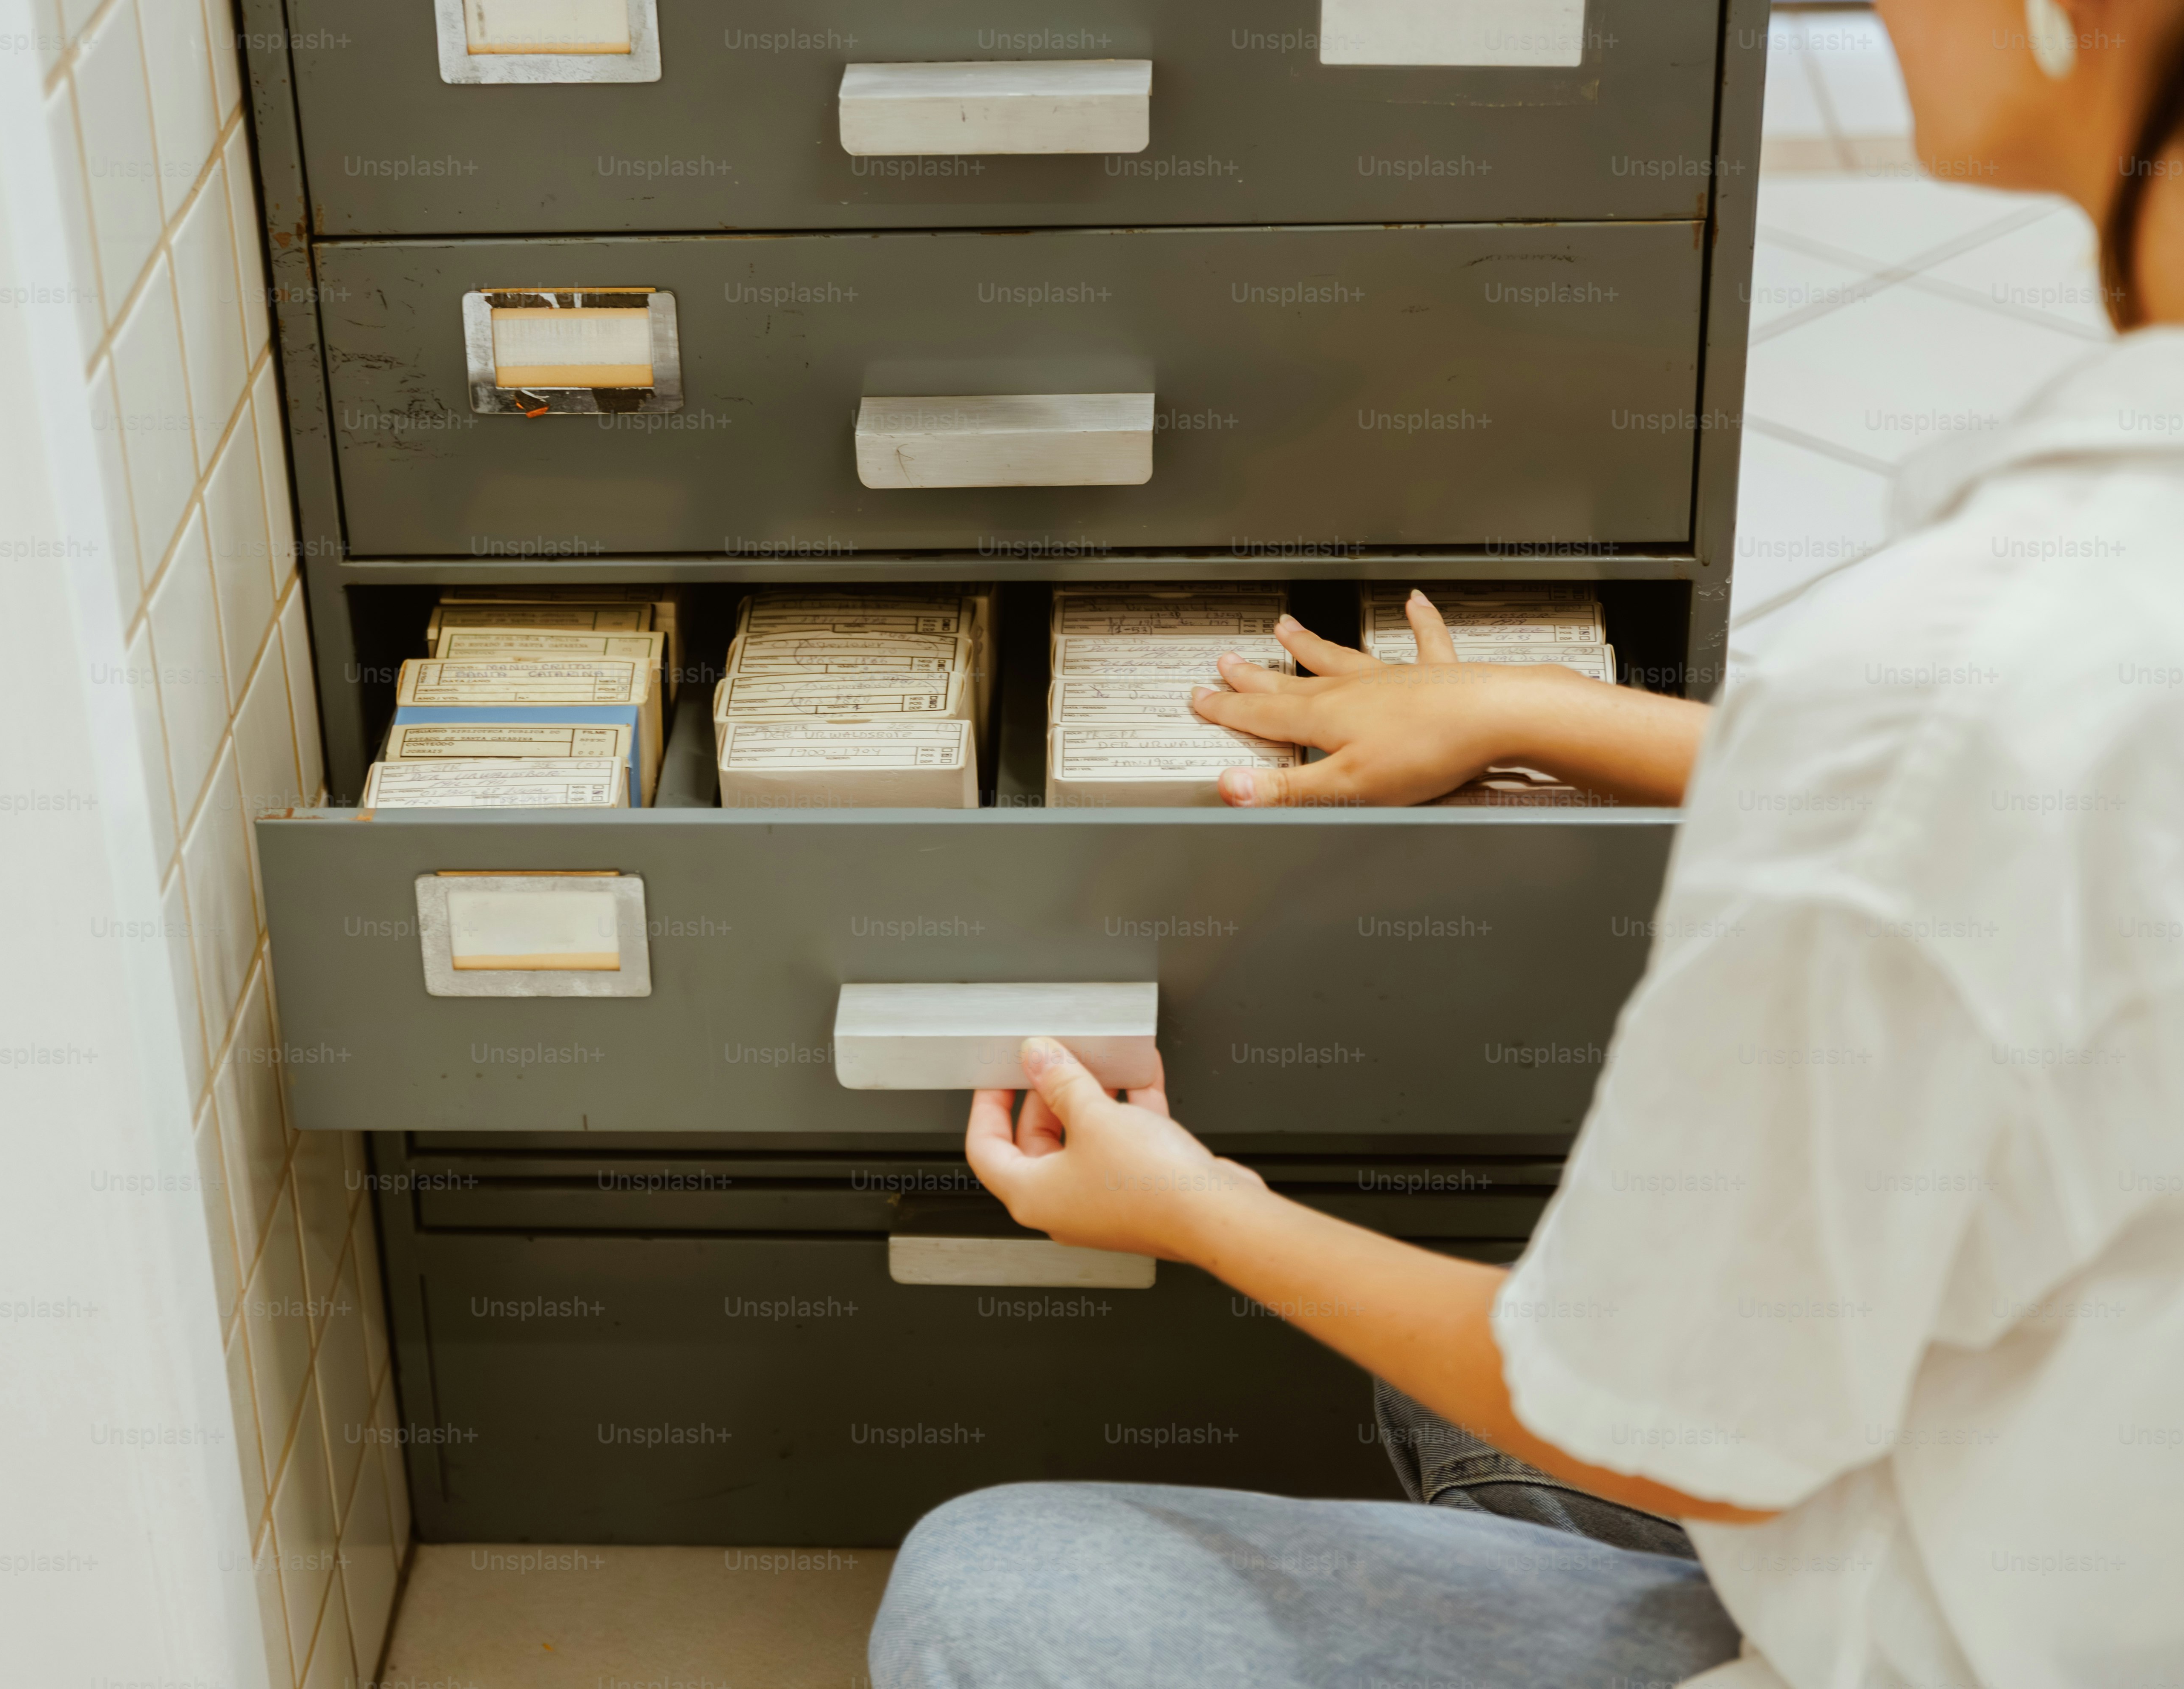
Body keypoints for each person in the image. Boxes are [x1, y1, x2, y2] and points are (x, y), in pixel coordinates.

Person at [868, 1, 2184, 1684]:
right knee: (1459, 1343)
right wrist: (1542, 710)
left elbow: (1673, 1436)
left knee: (989, 1593)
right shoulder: (2023, 665)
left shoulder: (1946, 685)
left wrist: (1204, 1210)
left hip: (1969, 1635)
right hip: (2076, 1496)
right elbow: (2043, 807)